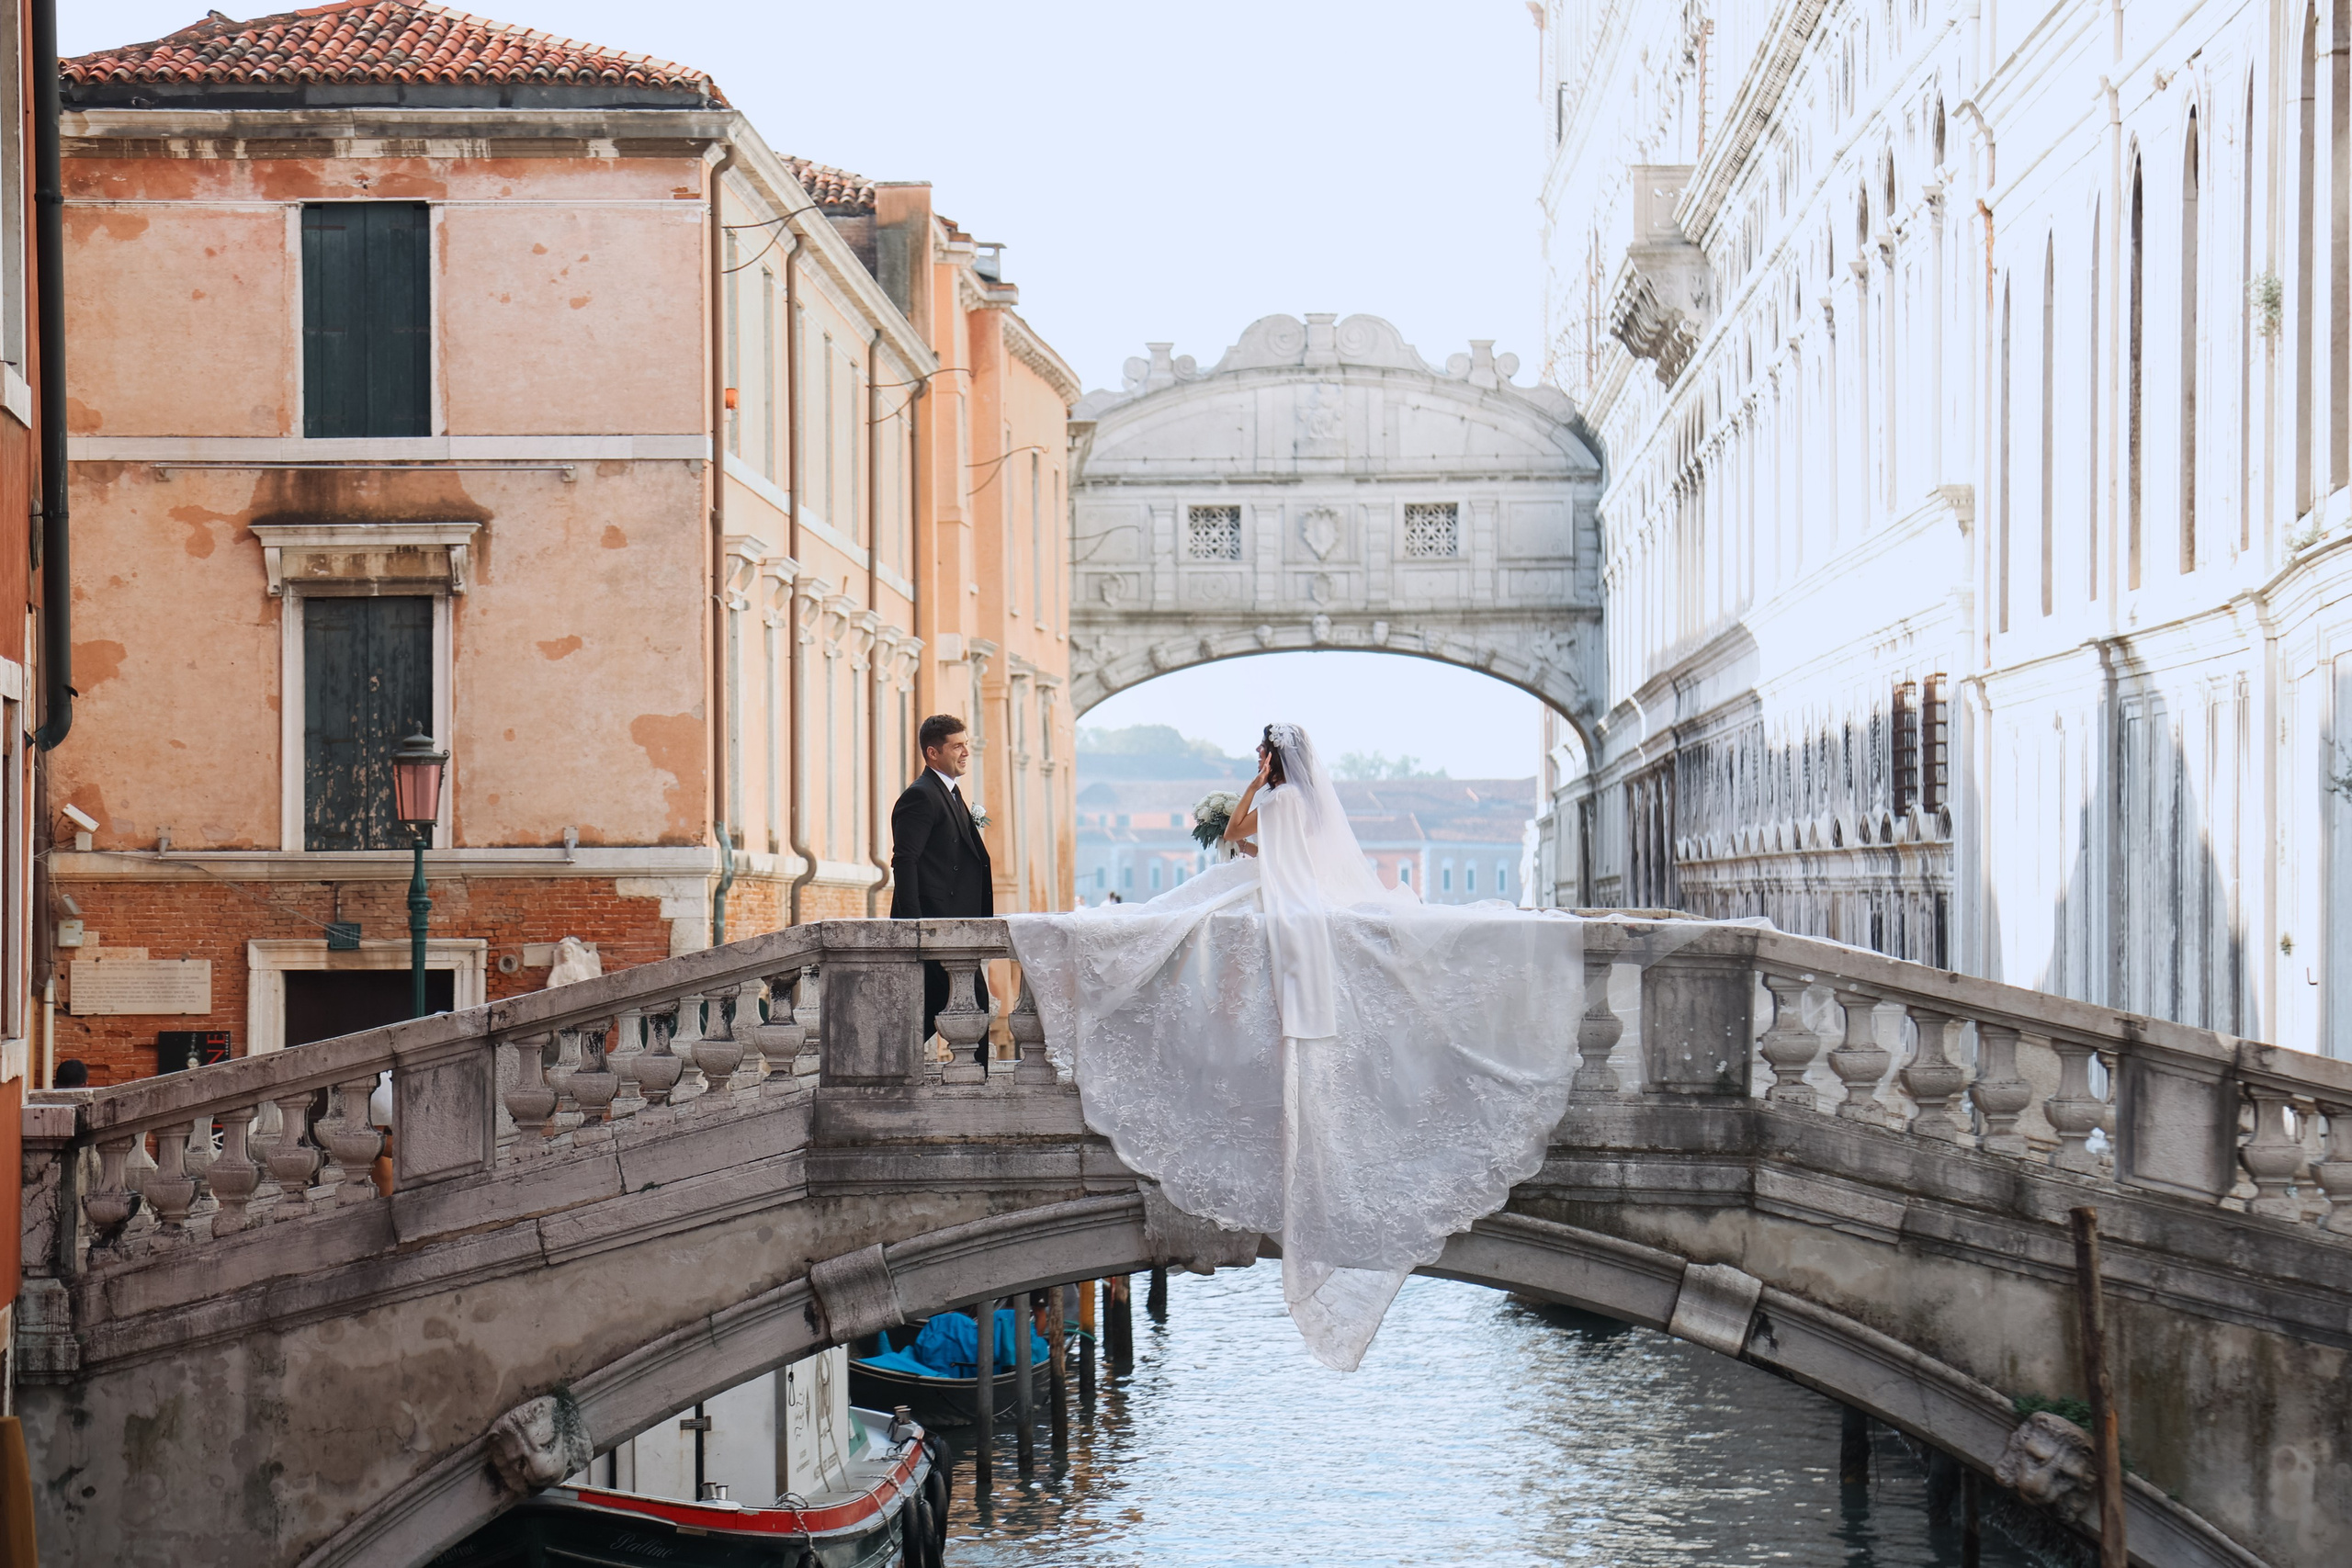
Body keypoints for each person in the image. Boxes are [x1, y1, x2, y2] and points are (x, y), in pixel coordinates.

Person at [1005, 723, 1591, 1371]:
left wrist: (1252, 789)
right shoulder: (1305, 803)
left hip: (1277, 901)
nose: (1258, 761)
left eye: (1262, 754)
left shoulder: (1278, 797)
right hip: (1293, 898)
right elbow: (1282, 851)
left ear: (1273, 758)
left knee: (1166, 922)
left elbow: (1238, 834)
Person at [889, 713, 993, 1055]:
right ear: (933, 753)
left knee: (936, 1006)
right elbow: (905, 860)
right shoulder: (920, 796)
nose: (966, 752)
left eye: (966, 744)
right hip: (935, 923)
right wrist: (914, 924)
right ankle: (975, 1076)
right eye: (957, 746)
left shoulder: (949, 792)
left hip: (954, 922)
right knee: (971, 1002)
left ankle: (886, 1062)